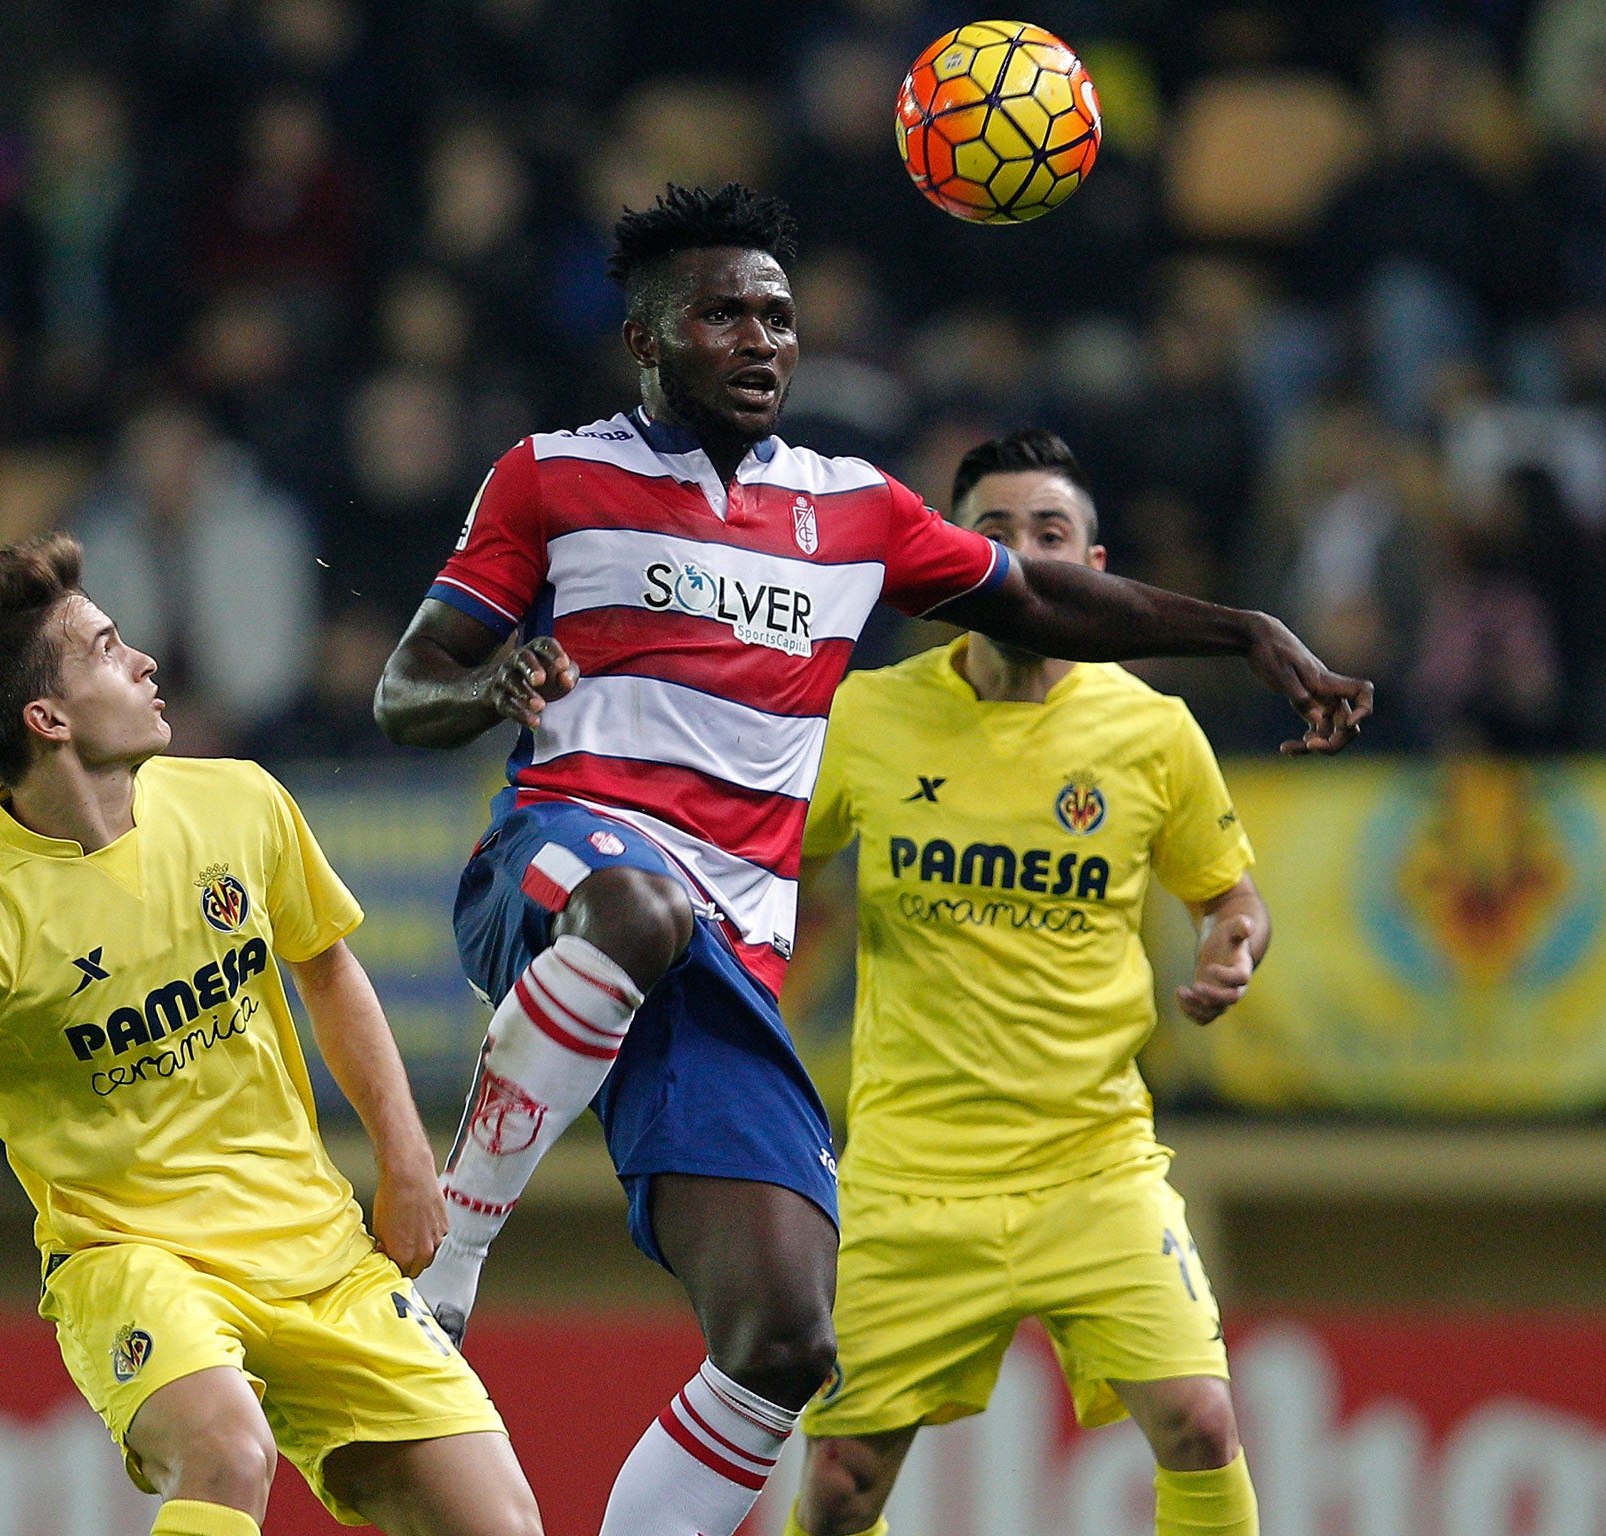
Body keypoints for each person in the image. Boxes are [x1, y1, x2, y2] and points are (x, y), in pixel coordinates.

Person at [374, 184, 1366, 1536]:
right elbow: (403, 692)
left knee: (786, 1345)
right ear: (648, 340)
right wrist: (492, 687)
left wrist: (1244, 627)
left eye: (778, 317)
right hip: (558, 873)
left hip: (726, 956)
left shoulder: (854, 510)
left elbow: (1045, 600)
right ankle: (451, 1261)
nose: (762, 340)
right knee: (642, 902)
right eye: (724, 314)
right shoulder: (550, 474)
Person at [0, 534, 543, 1536]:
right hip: (134, 1263)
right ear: (46, 719)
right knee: (228, 1450)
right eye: (105, 648)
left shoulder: (238, 801)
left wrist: (404, 1161)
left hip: (316, 1250)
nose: (143, 661)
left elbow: (325, 966)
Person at [791, 430, 1267, 1536]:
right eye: (989, 532)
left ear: (1092, 574)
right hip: (908, 1178)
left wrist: (1230, 944)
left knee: (1199, 1423)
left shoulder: (1150, 732)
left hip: (1090, 1164)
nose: (1020, 555)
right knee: (838, 1486)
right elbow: (768, 874)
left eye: (1048, 534)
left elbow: (1228, 896)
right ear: (946, 562)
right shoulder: (864, 717)